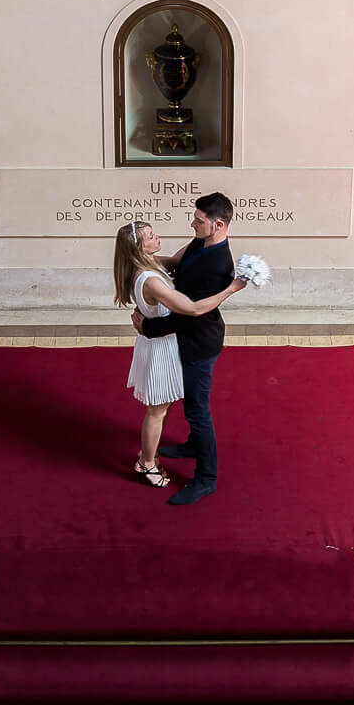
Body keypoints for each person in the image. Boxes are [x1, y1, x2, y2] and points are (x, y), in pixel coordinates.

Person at [112, 219, 246, 489]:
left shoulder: (148, 263)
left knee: (164, 406)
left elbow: (175, 259)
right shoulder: (150, 280)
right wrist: (231, 289)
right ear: (140, 247)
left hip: (162, 344)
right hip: (160, 349)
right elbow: (193, 309)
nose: (156, 236)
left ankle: (148, 455)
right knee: (157, 410)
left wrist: (206, 234)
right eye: (150, 236)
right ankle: (146, 463)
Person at [148, 193, 239, 506]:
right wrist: (137, 258)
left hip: (200, 341)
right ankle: (190, 446)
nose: (192, 223)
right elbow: (174, 263)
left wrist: (147, 329)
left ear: (218, 225)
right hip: (190, 335)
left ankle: (206, 478)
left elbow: (189, 314)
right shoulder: (200, 243)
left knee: (198, 411)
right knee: (189, 401)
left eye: (199, 221)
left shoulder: (218, 264)